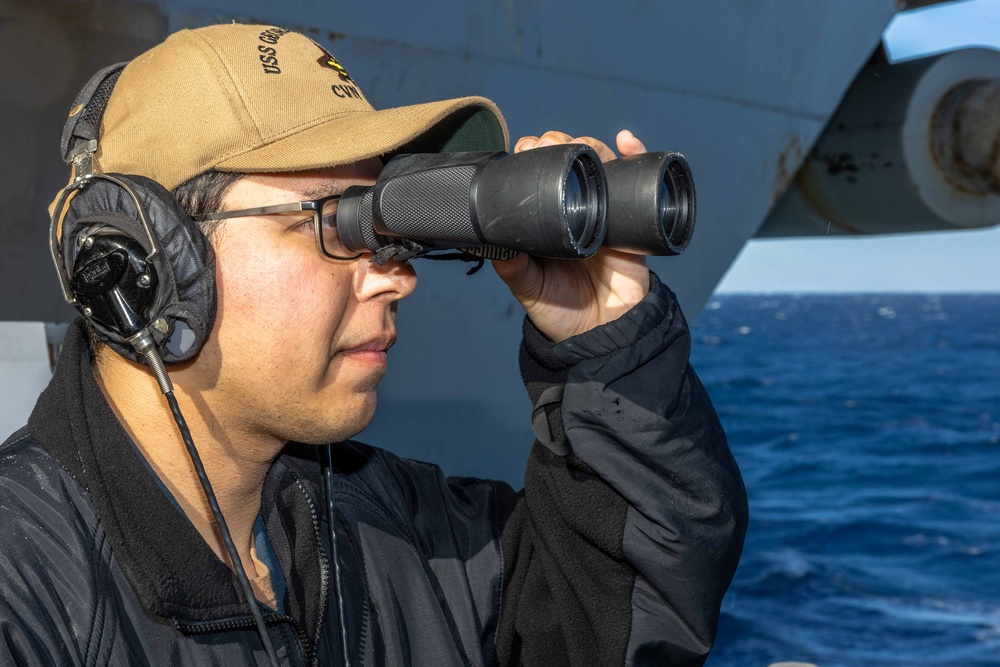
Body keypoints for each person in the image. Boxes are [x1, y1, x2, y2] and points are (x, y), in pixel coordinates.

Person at [0, 22, 747, 667]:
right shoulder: (27, 589)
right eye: (334, 222)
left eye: (387, 229)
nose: (397, 279)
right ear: (149, 259)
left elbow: (618, 620)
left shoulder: (396, 528)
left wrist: (605, 344)